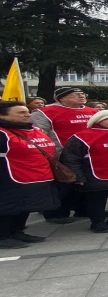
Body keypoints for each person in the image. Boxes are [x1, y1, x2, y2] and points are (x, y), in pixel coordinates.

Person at [32, 87, 98, 224]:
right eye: (76, 94)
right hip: (61, 154)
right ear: (61, 98)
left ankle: (83, 209)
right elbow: (38, 133)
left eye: (83, 94)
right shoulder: (45, 112)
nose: (81, 96)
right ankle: (56, 213)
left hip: (90, 154)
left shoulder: (92, 111)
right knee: (63, 185)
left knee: (85, 183)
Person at [0, 101, 58, 248]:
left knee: (25, 206)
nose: (27, 114)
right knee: (8, 207)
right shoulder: (2, 133)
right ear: (2, 116)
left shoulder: (34, 129)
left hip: (36, 175)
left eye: (27, 111)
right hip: (11, 176)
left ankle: (17, 231)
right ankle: (3, 236)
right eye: (21, 112)